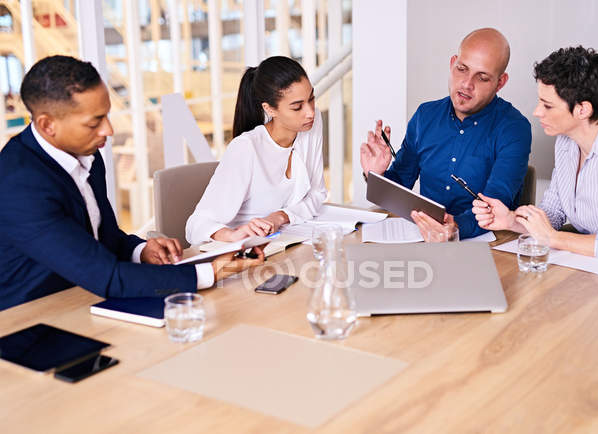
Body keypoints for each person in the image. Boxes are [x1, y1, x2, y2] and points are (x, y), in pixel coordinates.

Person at [0, 56, 263, 311]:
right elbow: (107, 276)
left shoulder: (86, 152)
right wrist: (210, 273)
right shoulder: (18, 185)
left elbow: (103, 236)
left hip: (83, 298)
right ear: (48, 125)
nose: (108, 130)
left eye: (106, 116)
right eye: (94, 122)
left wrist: (140, 250)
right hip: (29, 317)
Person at [472, 46, 598, 260]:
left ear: (583, 110)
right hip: (591, 261)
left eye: (547, 106)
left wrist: (553, 238)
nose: (537, 112)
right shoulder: (566, 142)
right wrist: (510, 220)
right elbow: (553, 216)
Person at [360, 28, 531, 241]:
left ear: (500, 82)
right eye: (462, 69)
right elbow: (400, 187)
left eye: (483, 77)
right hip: (422, 237)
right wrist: (376, 175)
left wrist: (454, 227)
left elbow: (494, 206)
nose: (467, 84)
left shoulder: (514, 128)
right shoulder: (425, 115)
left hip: (487, 246)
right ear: (452, 64)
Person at [186, 56, 327, 245]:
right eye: (297, 107)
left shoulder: (311, 124)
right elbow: (196, 225)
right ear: (269, 109)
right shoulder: (246, 148)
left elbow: (317, 194)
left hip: (282, 244)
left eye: (311, 99)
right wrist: (232, 235)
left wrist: (280, 217)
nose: (310, 112)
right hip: (242, 254)